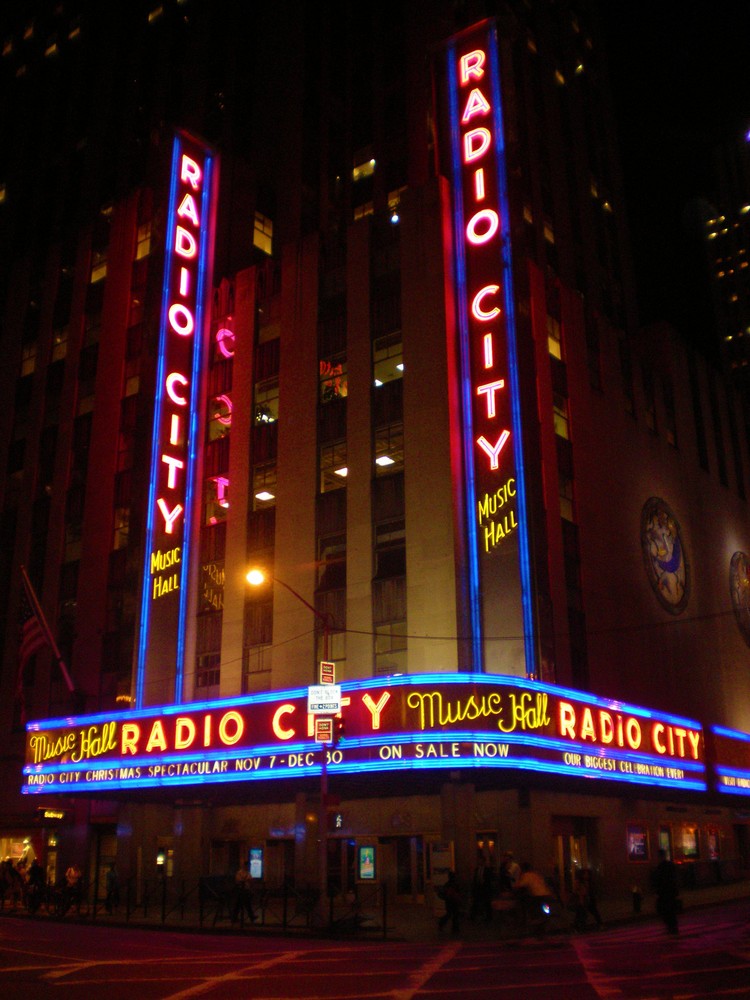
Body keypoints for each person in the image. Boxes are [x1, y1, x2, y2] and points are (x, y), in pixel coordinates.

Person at [652, 849, 680, 935]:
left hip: (665, 892)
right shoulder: (670, 865)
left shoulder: (661, 867)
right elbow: (675, 878)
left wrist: (657, 891)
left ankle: (671, 928)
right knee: (670, 911)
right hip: (670, 892)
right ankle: (673, 928)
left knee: (665, 911)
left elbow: (659, 880)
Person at [469, 854, 494, 923]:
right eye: (479, 860)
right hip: (478, 889)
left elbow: (490, 879)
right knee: (475, 903)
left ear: (484, 861)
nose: (480, 862)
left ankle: (488, 917)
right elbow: (475, 879)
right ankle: (472, 916)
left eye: (481, 860)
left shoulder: (487, 870)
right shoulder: (477, 869)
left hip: (485, 889)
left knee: (487, 904)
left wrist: (485, 881)